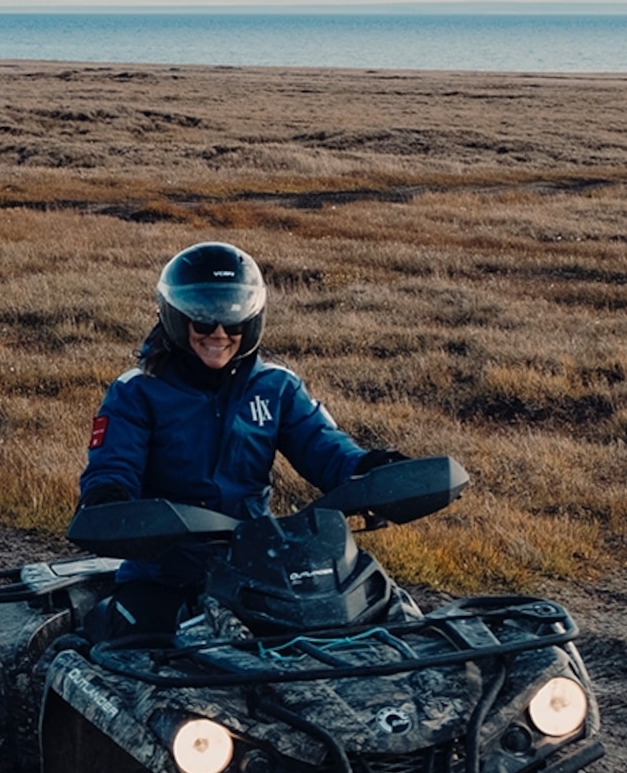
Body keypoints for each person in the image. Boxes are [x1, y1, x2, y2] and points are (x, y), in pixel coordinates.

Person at [75, 241, 395, 636]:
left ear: (254, 320)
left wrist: (372, 469)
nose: (220, 333)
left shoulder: (276, 387)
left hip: (259, 571)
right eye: (204, 319)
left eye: (234, 320)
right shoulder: (137, 392)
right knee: (131, 653)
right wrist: (109, 503)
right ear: (175, 318)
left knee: (372, 631)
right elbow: (112, 467)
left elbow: (327, 450)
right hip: (166, 576)